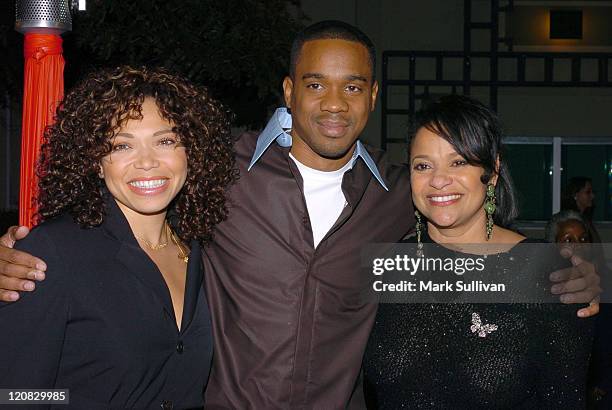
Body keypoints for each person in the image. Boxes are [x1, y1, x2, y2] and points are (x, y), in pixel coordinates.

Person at [0, 21, 602, 408]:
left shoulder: (402, 192)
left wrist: (571, 273)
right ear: (289, 92)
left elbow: (473, 262)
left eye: (353, 87)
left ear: (372, 96)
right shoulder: (216, 171)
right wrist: (21, 252)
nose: (334, 104)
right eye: (316, 85)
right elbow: (27, 378)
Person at [0, 66, 236, 409]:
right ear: (96, 162)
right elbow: (14, 396)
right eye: (122, 145)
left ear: (191, 152)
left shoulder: (204, 249)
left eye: (165, 141)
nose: (146, 162)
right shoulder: (53, 253)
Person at [363, 95, 594, 408]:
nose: (439, 180)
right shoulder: (388, 266)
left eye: (458, 162)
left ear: (493, 170)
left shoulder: (549, 274)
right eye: (423, 165)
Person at [562, 177, 601, 244]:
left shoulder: (584, 218)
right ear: (575, 195)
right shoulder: (571, 220)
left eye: (592, 192)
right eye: (588, 192)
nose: (592, 196)